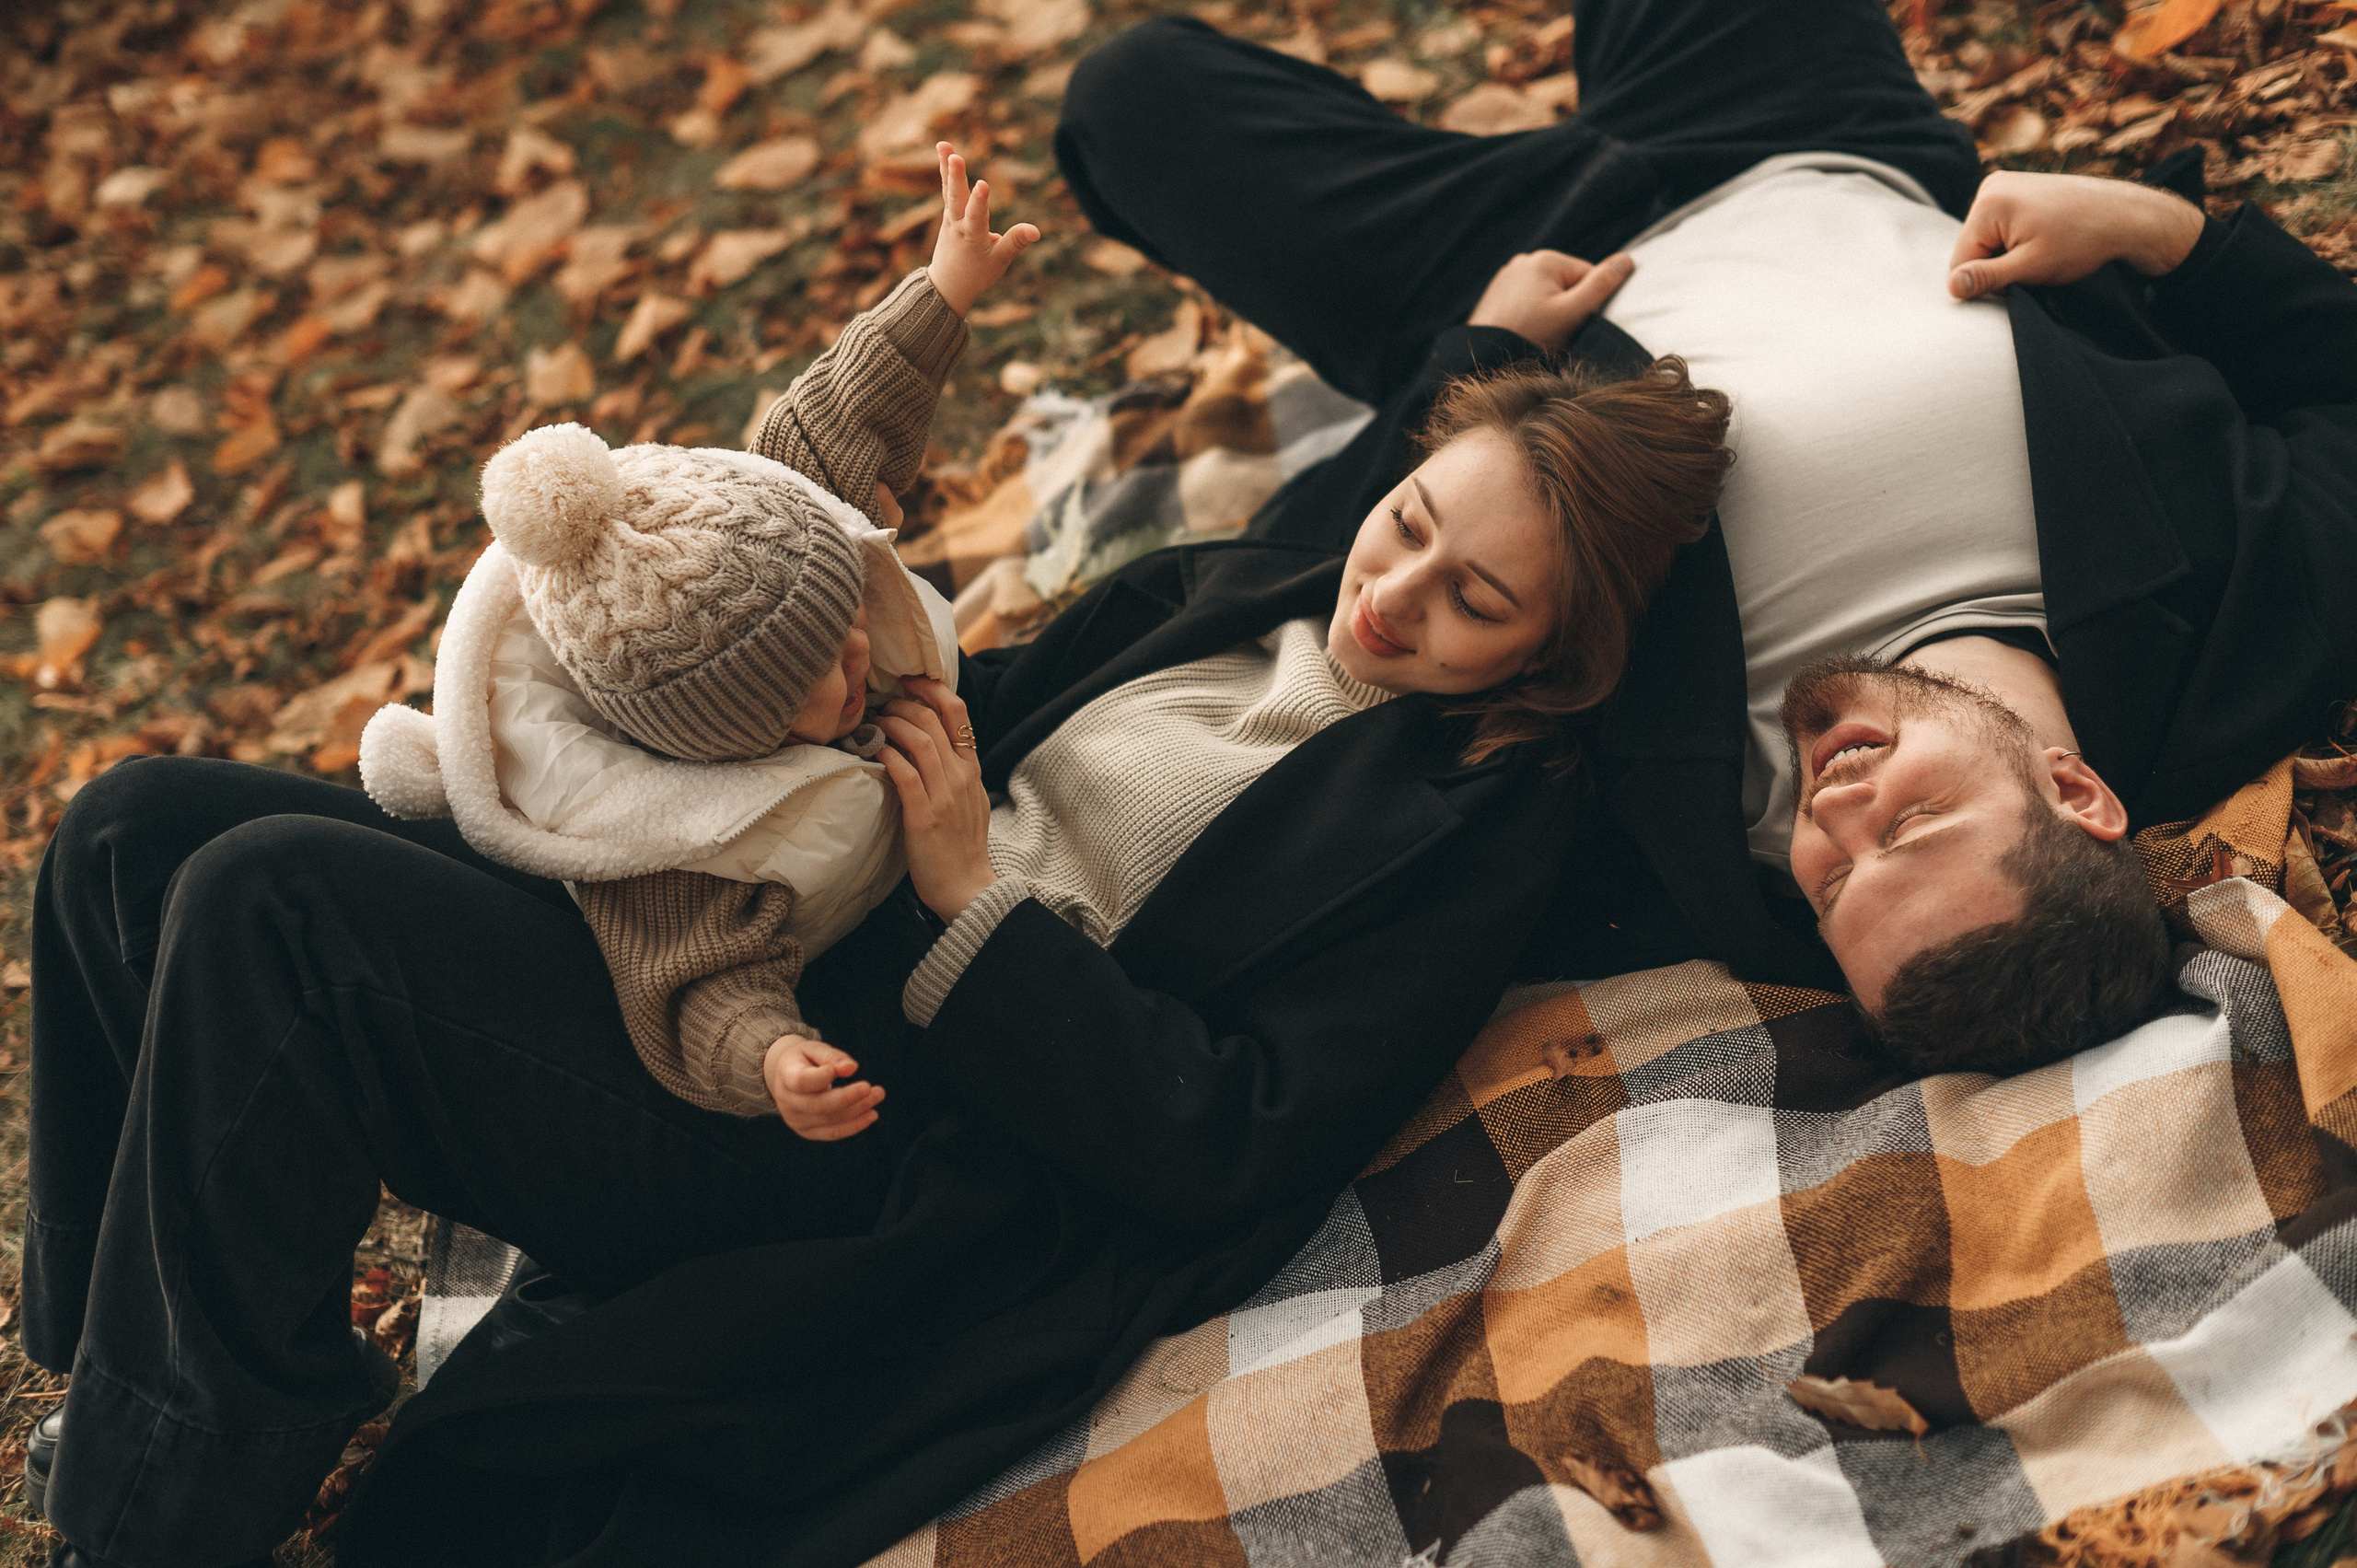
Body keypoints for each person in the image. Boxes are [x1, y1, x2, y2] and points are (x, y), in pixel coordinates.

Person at [21, 157, 1735, 1568]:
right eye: (1417, 520)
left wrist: (968, 898)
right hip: (754, 911)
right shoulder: (1246, 589)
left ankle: (151, 1521)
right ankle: (128, 1354)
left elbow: (1236, 1134)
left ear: (1548, 656)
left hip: (840, 1124)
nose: (1400, 591)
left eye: (1475, 601)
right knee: (133, 830)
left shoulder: (1468, 832)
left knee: (274, 910)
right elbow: (1345, 512)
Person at [1054, 0, 2357, 1072]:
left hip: (1527, 277)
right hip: (1812, 137)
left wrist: (1481, 354)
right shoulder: (2256, 628)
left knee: (1135, 99)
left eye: (1833, 889)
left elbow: (1348, 618)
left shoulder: (1671, 838)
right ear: (2079, 795)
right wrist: (2161, 235)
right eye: (1907, 828)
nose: (1834, 817)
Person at [347, 142, 1009, 1128]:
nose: (858, 654)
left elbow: (833, 416)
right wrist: (775, 1056)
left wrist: (943, 288)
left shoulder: (778, 533)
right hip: (840, 971)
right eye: (820, 674)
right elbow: (700, 987)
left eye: (843, 625)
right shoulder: (670, 848)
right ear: (725, 733)